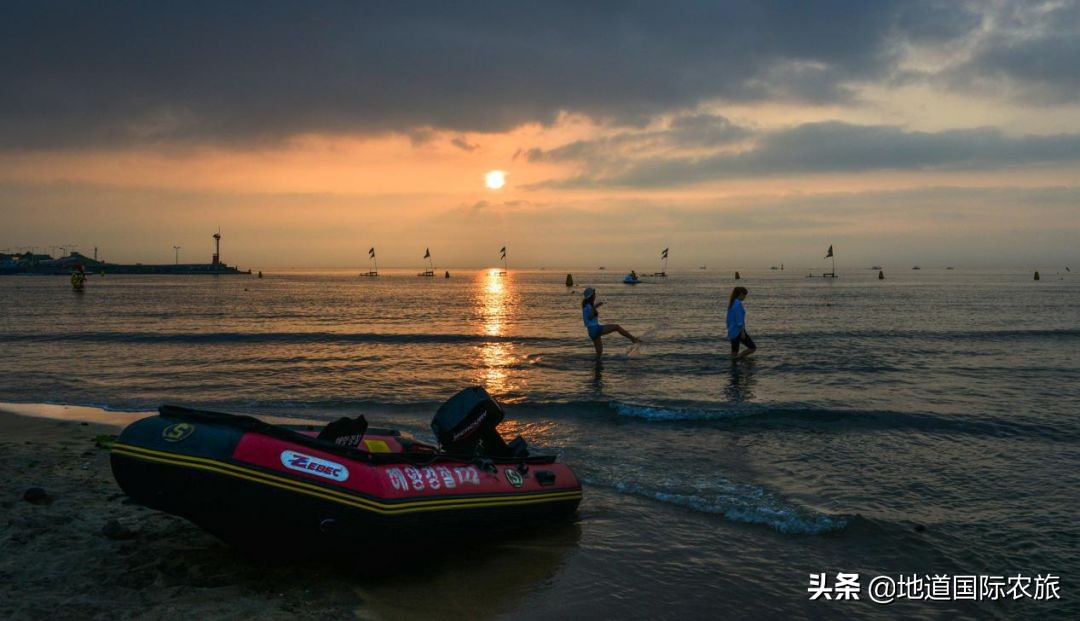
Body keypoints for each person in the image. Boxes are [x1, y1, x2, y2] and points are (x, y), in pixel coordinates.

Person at [582, 287, 639, 357]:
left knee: (599, 354)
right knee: (617, 327)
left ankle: (597, 366)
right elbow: (590, 317)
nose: (595, 295)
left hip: (591, 331)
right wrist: (595, 307)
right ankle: (633, 339)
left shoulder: (587, 306)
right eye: (594, 294)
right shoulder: (588, 306)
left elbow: (590, 316)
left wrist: (595, 306)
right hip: (595, 329)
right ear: (591, 296)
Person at [726, 286, 756, 360]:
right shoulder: (738, 304)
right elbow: (739, 320)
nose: (745, 297)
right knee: (752, 348)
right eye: (744, 295)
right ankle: (738, 358)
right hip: (738, 330)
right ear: (741, 294)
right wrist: (742, 332)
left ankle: (734, 364)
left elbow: (729, 319)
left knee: (734, 352)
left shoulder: (732, 303)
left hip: (732, 330)